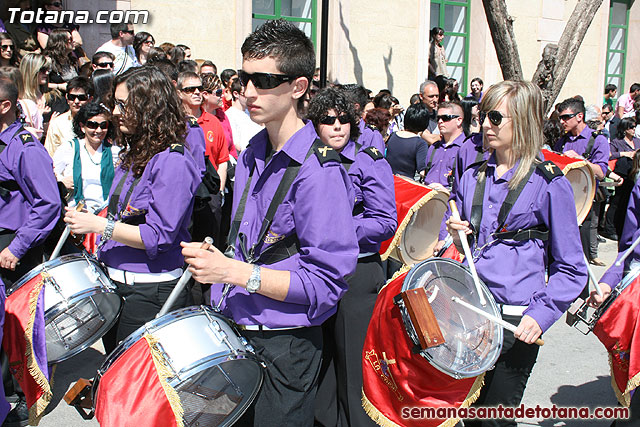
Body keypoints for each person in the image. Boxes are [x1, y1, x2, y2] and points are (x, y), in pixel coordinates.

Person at [181, 19, 358, 426]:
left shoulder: (320, 171)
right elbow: (253, 243)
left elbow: (326, 285)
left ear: (298, 87)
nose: (248, 91)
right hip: (235, 329)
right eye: (244, 78)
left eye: (263, 80)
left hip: (285, 346)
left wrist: (235, 272)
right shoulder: (251, 153)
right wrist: (222, 262)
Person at [446, 80, 586, 427]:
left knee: (494, 420)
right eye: (482, 116)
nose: (485, 126)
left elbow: (572, 267)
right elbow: (449, 238)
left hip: (516, 319)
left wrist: (541, 315)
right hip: (470, 315)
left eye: (495, 117)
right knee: (467, 417)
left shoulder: (550, 183)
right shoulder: (470, 177)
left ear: (522, 120)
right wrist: (448, 233)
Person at [63, 66, 200, 353]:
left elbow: (158, 237)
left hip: (148, 292)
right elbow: (123, 212)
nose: (114, 111)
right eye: (116, 103)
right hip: (117, 284)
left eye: (124, 104)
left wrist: (98, 226)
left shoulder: (172, 161)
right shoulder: (134, 153)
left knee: (133, 388)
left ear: (150, 107)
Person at [309, 86, 396, 427]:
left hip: (356, 271)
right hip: (316, 271)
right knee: (322, 358)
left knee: (353, 368)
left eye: (345, 120)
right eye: (328, 120)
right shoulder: (309, 161)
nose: (337, 127)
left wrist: (337, 231)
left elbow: (385, 220)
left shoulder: (368, 161)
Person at [0, 77, 61, 426]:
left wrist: (16, 247)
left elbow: (48, 203)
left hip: (14, 246)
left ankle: (27, 397)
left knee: (22, 327)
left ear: (5, 106)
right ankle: (7, 391)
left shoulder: (24, 147)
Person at [554, 98, 610, 268]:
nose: (562, 122)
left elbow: (601, 172)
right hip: (563, 201)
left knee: (582, 257)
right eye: (561, 118)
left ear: (579, 116)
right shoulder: (562, 141)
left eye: (566, 117)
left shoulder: (597, 140)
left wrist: (581, 162)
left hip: (584, 204)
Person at [53, 101, 119, 212]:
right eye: (93, 125)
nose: (98, 130)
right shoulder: (69, 149)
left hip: (104, 215)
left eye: (103, 126)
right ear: (82, 126)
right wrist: (62, 182)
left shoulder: (115, 152)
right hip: (75, 213)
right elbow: (51, 176)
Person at [44, 76, 92, 156]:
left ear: (90, 99)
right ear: (66, 97)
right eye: (72, 97)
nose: (76, 101)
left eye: (81, 98)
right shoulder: (57, 124)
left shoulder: (96, 122)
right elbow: (50, 154)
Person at [423, 100, 465, 189]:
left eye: (445, 118)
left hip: (451, 200)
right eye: (438, 118)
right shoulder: (434, 147)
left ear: (459, 120)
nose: (440, 121)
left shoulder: (466, 148)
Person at [384, 102, 429, 179]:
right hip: (406, 185)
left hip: (387, 180)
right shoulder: (420, 144)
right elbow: (422, 171)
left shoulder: (393, 136)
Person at [339, 83, 385, 152]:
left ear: (356, 107)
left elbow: (377, 162)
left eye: (342, 104)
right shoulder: (335, 129)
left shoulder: (372, 135)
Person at [225, 77, 263, 153]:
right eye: (244, 94)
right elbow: (236, 144)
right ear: (236, 94)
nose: (249, 97)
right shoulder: (230, 115)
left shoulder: (250, 113)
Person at [418, 79, 440, 144]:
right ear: (421, 96)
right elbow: (430, 139)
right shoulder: (416, 114)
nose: (435, 100)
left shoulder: (439, 115)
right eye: (431, 96)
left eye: (437, 96)